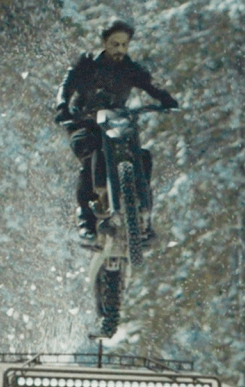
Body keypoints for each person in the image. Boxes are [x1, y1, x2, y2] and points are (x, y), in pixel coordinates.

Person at [54, 20, 179, 243]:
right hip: (84, 124)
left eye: (124, 45)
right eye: (115, 44)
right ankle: (86, 220)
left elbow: (151, 85)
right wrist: (63, 107)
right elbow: (66, 86)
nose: (120, 50)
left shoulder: (130, 68)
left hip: (115, 122)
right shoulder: (87, 64)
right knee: (93, 157)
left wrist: (166, 99)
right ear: (104, 42)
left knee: (142, 157)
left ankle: (143, 217)